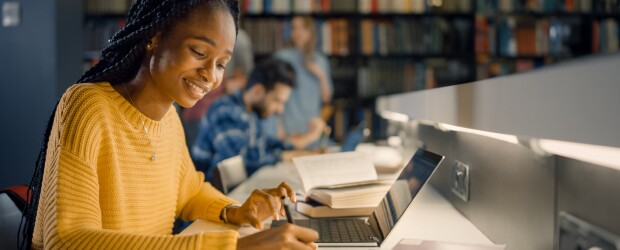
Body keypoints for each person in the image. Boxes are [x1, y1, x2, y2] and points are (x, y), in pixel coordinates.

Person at [19, 1, 318, 249]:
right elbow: (68, 241)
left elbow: (188, 192)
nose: (210, 76)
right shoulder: (87, 106)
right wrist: (233, 247)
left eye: (221, 64)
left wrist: (236, 211)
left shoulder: (169, 118)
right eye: (199, 53)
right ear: (155, 36)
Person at [191, 58, 325, 180]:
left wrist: (300, 145)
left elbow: (264, 144)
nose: (280, 109)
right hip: (210, 195)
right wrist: (290, 155)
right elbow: (242, 163)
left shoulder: (250, 113)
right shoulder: (225, 111)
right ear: (258, 91)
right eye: (277, 101)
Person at [181, 25, 255, 148]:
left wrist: (231, 84)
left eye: (221, 64)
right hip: (193, 111)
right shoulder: (197, 32)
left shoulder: (239, 39)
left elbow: (248, 78)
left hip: (217, 112)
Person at [273, 16, 333, 149]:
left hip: (313, 130)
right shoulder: (282, 58)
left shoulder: (320, 61)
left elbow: (327, 98)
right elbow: (273, 96)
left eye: (303, 27)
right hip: (290, 129)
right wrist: (278, 126)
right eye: (294, 28)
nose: (298, 32)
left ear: (311, 31)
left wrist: (320, 75)